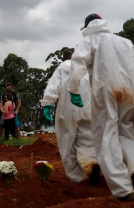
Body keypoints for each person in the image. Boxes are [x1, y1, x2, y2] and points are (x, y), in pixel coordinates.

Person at [67, 13, 134, 201]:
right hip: (126, 90)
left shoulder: (88, 41)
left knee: (106, 136)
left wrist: (73, 89)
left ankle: (123, 188)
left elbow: (78, 64)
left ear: (87, 26)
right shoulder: (125, 42)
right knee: (126, 131)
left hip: (104, 91)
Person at [40, 50, 99, 184]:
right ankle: (91, 162)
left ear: (63, 58)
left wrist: (48, 103)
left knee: (67, 141)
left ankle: (77, 177)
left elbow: (54, 86)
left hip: (68, 109)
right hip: (87, 109)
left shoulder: (63, 67)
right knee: (87, 139)